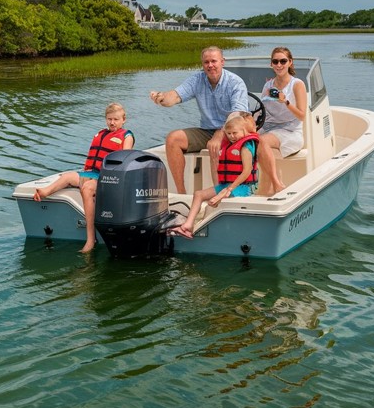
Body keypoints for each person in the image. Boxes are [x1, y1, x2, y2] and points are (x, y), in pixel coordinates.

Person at [32, 102, 134, 253]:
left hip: (108, 177)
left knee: (87, 188)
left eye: (116, 119)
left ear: (123, 119)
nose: (112, 122)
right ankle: (45, 192)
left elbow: (125, 161)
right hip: (91, 173)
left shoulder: (127, 136)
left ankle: (90, 239)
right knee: (67, 177)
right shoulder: (101, 133)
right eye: (109, 119)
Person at [149, 46, 249, 194]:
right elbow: (175, 96)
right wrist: (161, 98)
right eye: (206, 62)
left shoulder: (235, 82)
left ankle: (220, 195)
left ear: (222, 62)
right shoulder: (197, 79)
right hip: (207, 130)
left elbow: (237, 114)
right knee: (173, 139)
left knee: (215, 146)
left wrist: (220, 134)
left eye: (214, 61)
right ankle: (182, 194)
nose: (210, 65)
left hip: (233, 130)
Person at [170, 113, 260, 238]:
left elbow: (247, 172)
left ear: (244, 131)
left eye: (235, 133)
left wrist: (226, 191)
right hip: (227, 185)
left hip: (244, 187)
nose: (232, 137)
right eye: (229, 134)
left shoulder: (246, 146)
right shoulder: (228, 144)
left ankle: (213, 229)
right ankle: (188, 226)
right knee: (198, 194)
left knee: (216, 200)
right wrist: (222, 190)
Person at [257, 47, 307, 194]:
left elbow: (302, 116)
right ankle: (263, 189)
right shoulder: (268, 85)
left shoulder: (297, 84)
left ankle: (276, 184)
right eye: (275, 61)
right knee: (246, 139)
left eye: (283, 61)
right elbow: (262, 110)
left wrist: (285, 102)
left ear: (290, 62)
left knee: (261, 142)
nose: (279, 65)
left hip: (290, 131)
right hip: (269, 128)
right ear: (271, 64)